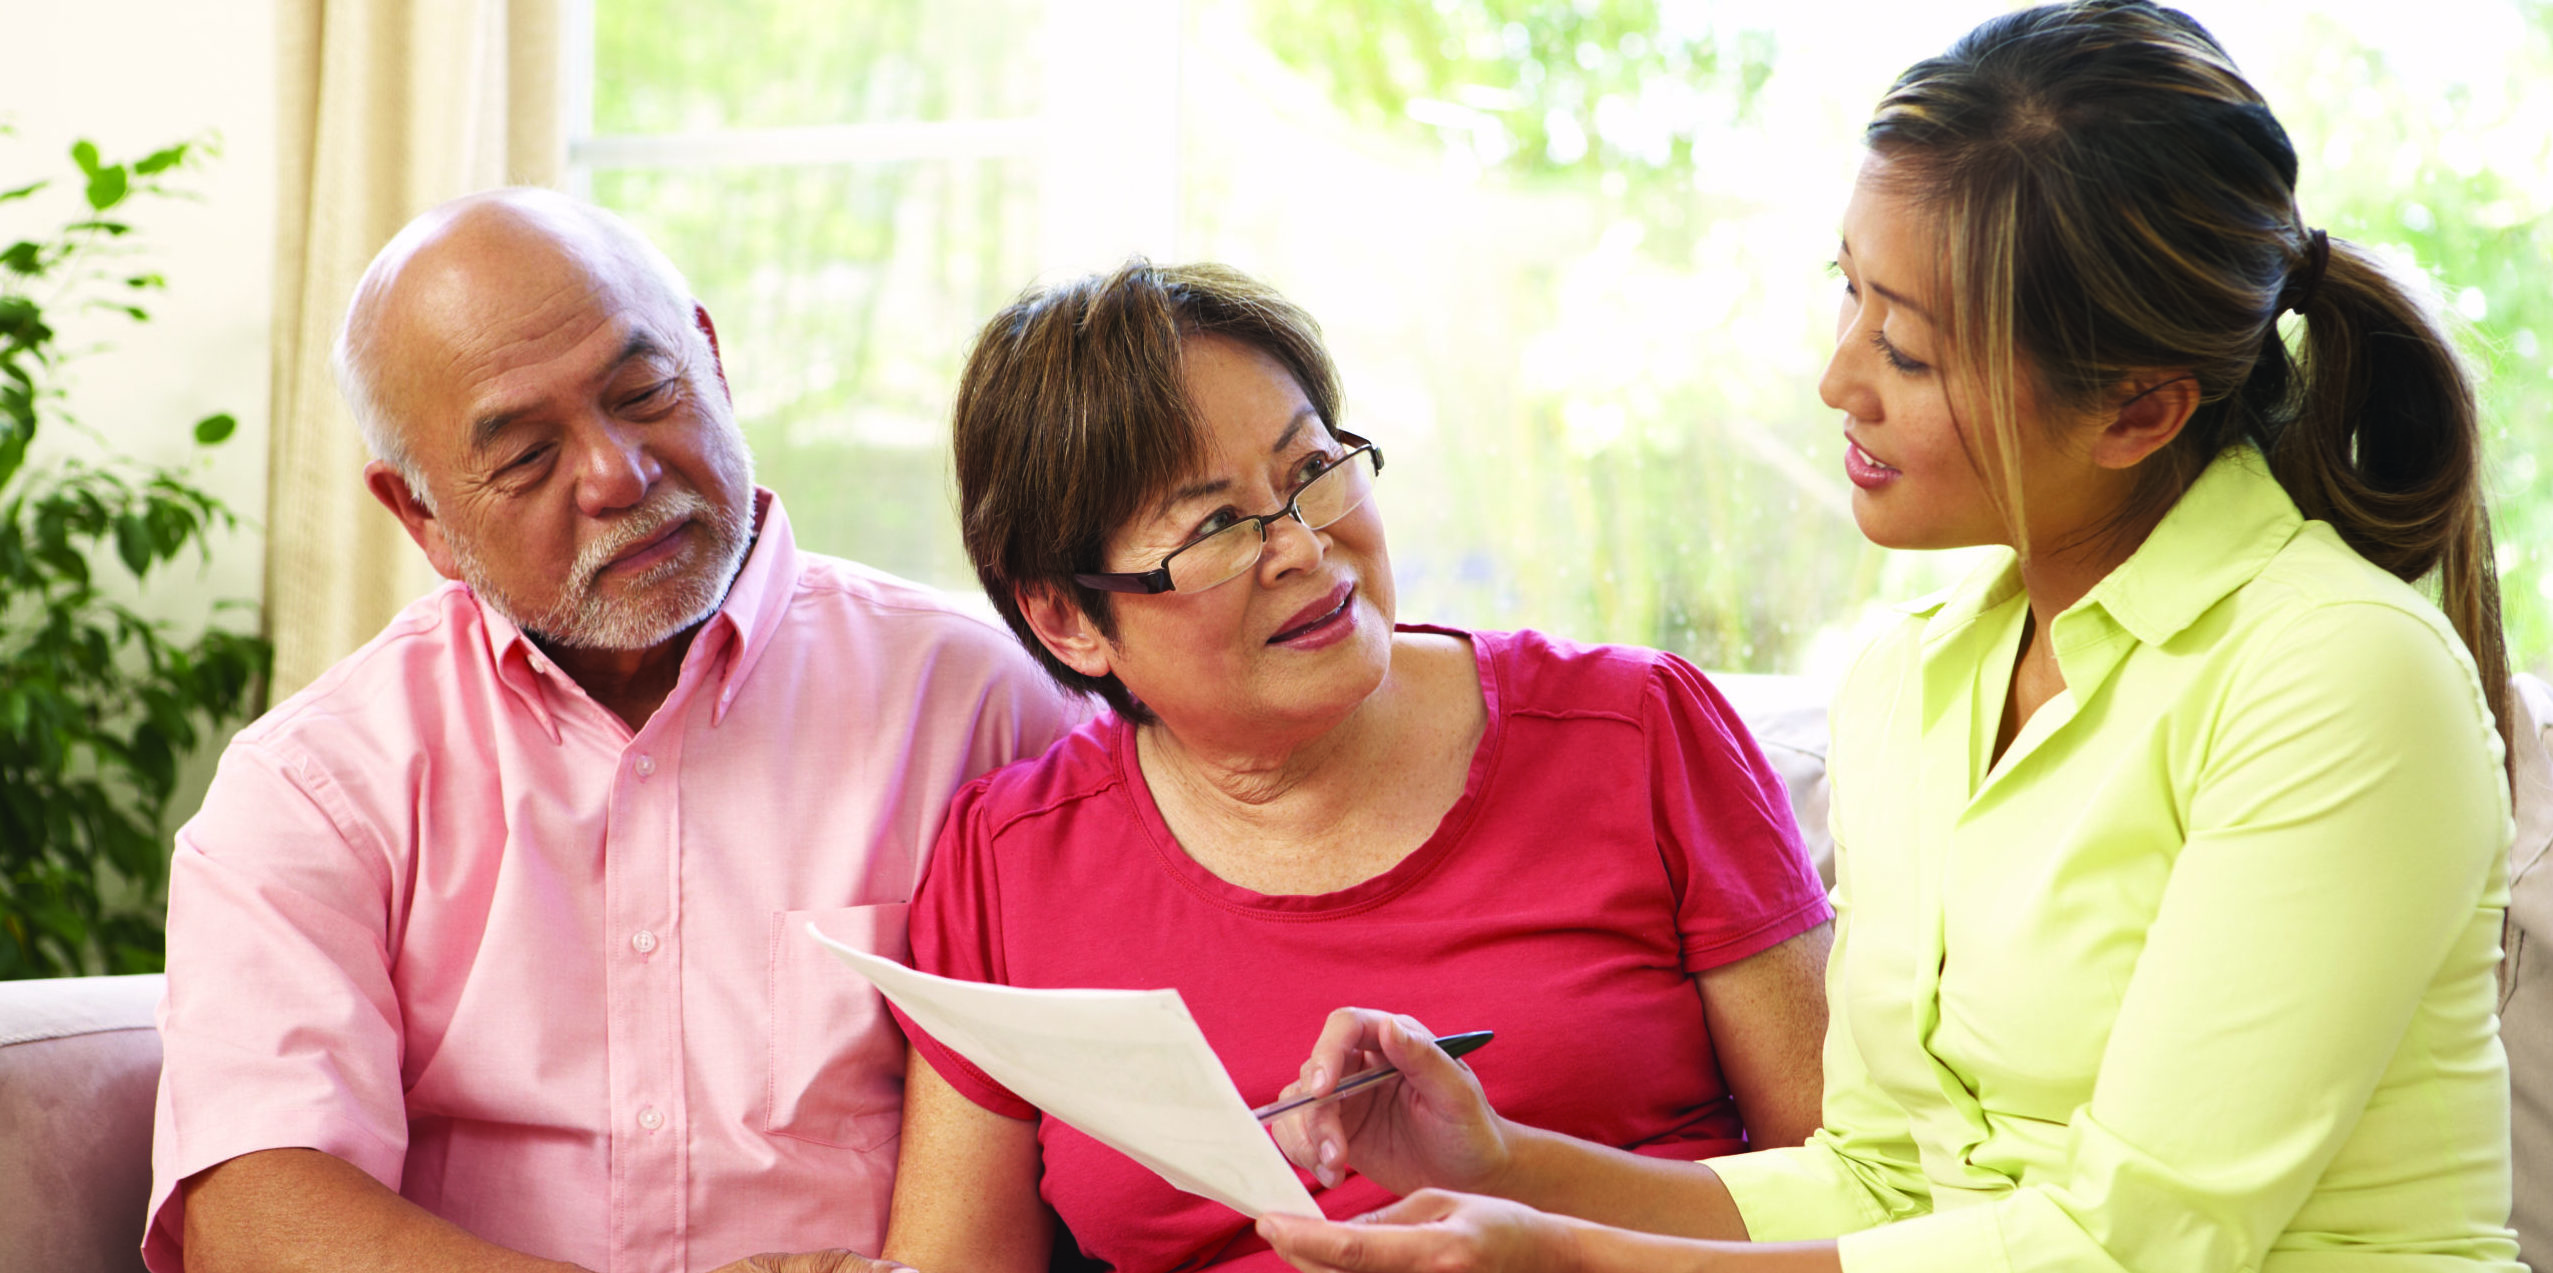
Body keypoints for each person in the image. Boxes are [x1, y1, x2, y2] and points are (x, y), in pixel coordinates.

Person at [1250, 3, 2524, 1270]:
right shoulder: (1913, 677)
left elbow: (2133, 1241)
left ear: (2138, 410)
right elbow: (1879, 1182)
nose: (1839, 379)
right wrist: (1499, 1165)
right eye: (1849, 294)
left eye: (1907, 350)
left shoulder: (2340, 674)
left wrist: (1572, 1260)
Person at [144, 189, 1083, 1273]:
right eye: (526, 457)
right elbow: (252, 1221)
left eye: (643, 394)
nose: (617, 473)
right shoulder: (314, 784)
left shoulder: (985, 700)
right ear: (421, 515)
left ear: (711, 361)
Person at [875, 261, 1837, 1273]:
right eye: (1215, 526)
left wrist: (1546, 1220)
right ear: (1067, 619)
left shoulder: (1635, 730)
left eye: (1310, 471)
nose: (1301, 545)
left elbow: (1866, 1197)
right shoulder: (1007, 862)